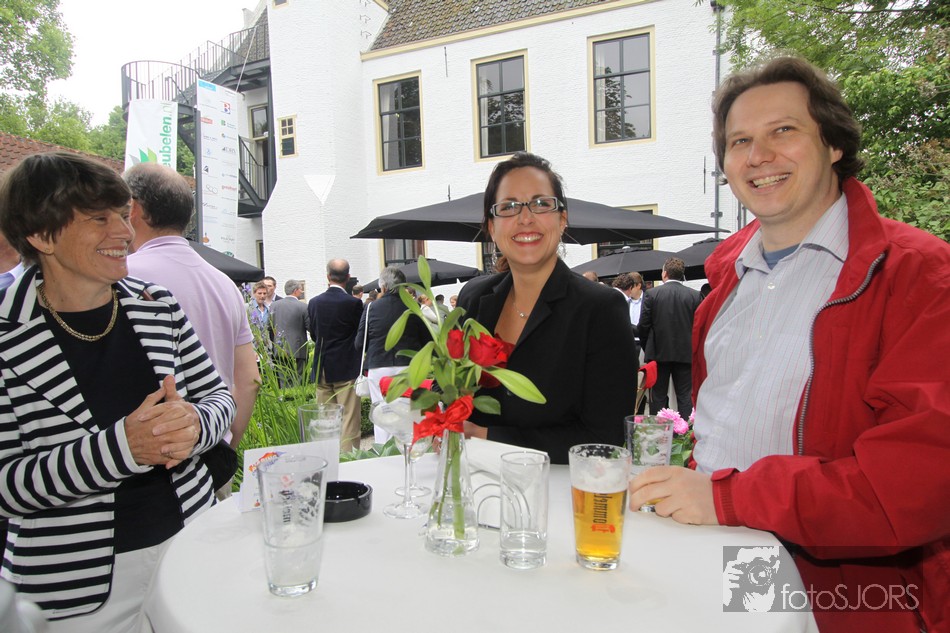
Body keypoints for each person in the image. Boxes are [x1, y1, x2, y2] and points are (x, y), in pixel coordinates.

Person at [628, 57, 950, 633]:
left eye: (783, 130)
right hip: (723, 555)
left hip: (850, 590)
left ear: (833, 144)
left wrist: (729, 498)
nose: (758, 156)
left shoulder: (920, 275)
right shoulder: (725, 278)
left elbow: (917, 482)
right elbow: (724, 426)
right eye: (739, 141)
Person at [0, 152, 235, 631]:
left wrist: (195, 424)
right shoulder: (7, 336)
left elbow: (220, 399)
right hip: (74, 591)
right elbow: (7, 484)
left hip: (192, 551)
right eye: (99, 219)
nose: (124, 232)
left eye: (124, 215)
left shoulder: (157, 305)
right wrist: (121, 449)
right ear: (41, 235)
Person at [457, 152, 637, 464]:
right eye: (509, 206)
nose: (525, 218)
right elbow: (450, 387)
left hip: (557, 487)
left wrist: (485, 437)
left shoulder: (600, 309)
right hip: (472, 481)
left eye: (541, 204)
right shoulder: (474, 298)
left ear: (562, 219)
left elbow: (604, 437)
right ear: (491, 227)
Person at [125, 162, 260, 451]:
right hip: (212, 445)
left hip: (151, 452)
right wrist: (228, 443)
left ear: (133, 208)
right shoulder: (225, 284)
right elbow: (250, 380)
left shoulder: (121, 277)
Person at [354, 266, 427, 442]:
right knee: (410, 413)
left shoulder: (371, 308)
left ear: (383, 286)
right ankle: (410, 450)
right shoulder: (414, 307)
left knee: (382, 415)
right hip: (409, 366)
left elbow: (359, 344)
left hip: (379, 366)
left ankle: (383, 451)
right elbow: (427, 340)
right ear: (404, 286)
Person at [307, 259, 363, 451]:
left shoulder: (314, 302)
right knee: (348, 418)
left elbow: (314, 334)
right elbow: (359, 335)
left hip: (322, 366)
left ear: (328, 276)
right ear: (348, 277)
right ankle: (348, 459)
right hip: (346, 366)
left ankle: (328, 457)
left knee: (326, 420)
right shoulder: (354, 303)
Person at [637, 257, 702, 420]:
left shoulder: (652, 294)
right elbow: (699, 325)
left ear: (664, 273)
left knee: (657, 396)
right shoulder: (694, 295)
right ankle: (686, 430)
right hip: (685, 353)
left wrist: (648, 347)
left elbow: (643, 326)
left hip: (658, 352)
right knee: (685, 396)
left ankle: (658, 429)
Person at [270, 278, 310, 384]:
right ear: (295, 290)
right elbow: (310, 327)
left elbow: (269, 326)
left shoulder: (274, 305)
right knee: (299, 380)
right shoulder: (303, 306)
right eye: (300, 289)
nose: (301, 291)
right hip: (298, 347)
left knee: (283, 380)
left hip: (279, 347)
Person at [611, 272, 644, 361]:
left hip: (642, 343)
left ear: (638, 286)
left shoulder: (648, 299)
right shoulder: (622, 300)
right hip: (625, 342)